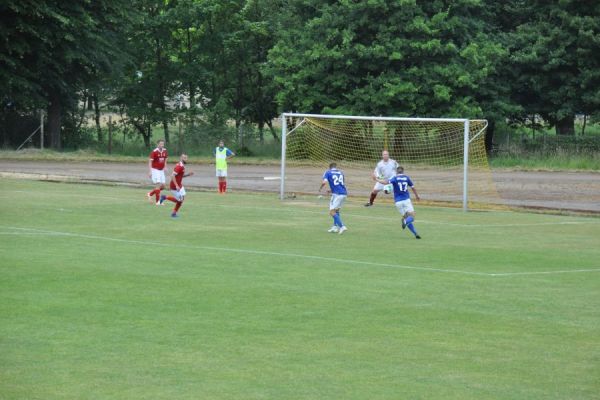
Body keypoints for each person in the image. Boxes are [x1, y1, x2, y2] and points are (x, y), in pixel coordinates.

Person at [376, 166, 421, 239]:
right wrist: (417, 196)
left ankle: (415, 233)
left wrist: (376, 179)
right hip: (406, 200)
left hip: (398, 202)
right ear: (403, 171)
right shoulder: (406, 178)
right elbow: (413, 188)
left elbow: (385, 182)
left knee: (406, 217)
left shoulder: (395, 178)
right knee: (412, 217)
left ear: (397, 172)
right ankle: (405, 221)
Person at [159, 154, 194, 218]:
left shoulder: (182, 166)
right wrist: (176, 185)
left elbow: (180, 176)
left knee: (181, 200)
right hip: (174, 187)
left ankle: (173, 212)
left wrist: (188, 175)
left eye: (186, 158)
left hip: (180, 186)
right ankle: (166, 199)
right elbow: (172, 176)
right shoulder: (179, 166)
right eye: (184, 158)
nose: (186, 159)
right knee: (180, 201)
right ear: (181, 158)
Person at [319, 162, 348, 234]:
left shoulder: (328, 172)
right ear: (336, 167)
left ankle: (342, 226)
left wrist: (320, 188)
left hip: (337, 195)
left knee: (332, 212)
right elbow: (339, 184)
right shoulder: (341, 172)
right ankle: (335, 227)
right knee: (336, 211)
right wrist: (331, 190)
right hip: (344, 193)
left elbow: (324, 182)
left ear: (329, 167)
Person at [147, 139, 168, 205]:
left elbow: (165, 159)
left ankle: (150, 194)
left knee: (163, 186)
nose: (162, 145)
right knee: (158, 185)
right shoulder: (154, 152)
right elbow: (150, 161)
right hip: (155, 170)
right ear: (157, 144)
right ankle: (158, 202)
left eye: (163, 144)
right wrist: (150, 171)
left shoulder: (165, 151)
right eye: (160, 144)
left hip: (161, 170)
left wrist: (165, 167)